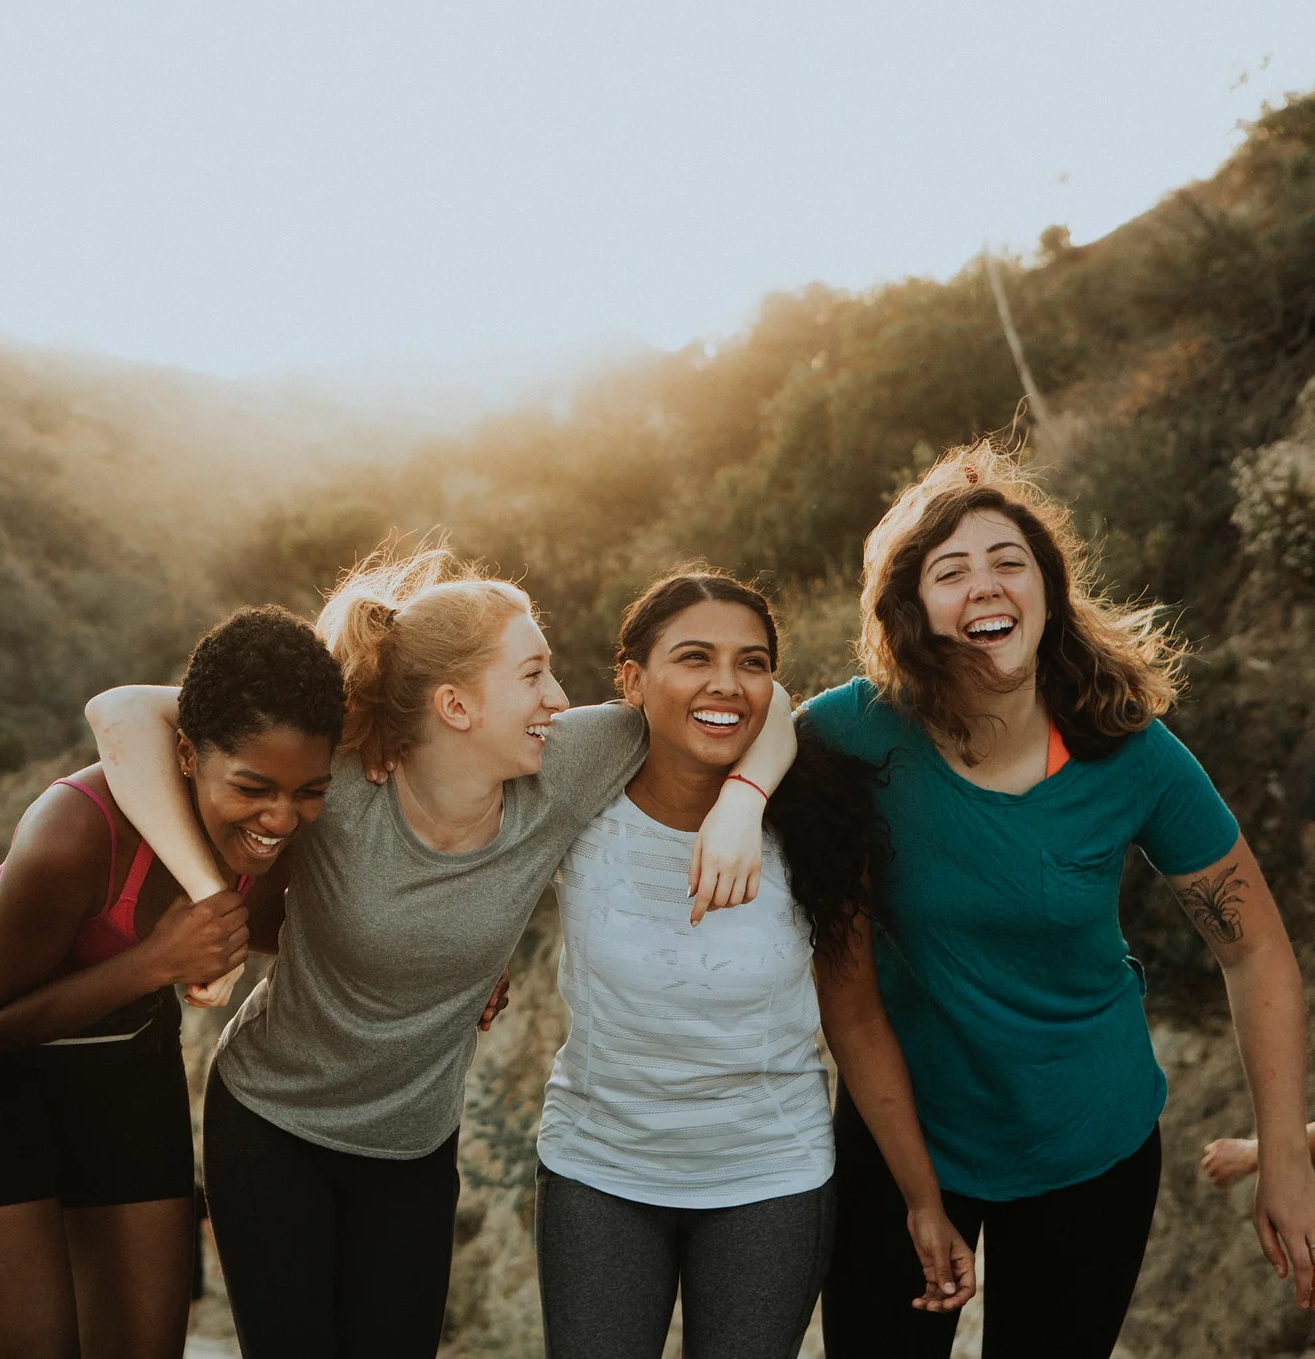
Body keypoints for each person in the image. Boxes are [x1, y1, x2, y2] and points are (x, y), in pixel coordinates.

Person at [85, 542, 796, 1359]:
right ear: (456, 705)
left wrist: (743, 802)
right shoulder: (342, 775)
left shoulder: (567, 762)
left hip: (414, 1146)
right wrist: (210, 893)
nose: (560, 699)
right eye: (533, 676)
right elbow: (121, 712)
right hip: (273, 1123)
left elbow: (759, 700)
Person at [807, 446, 1315, 1358]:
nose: (987, 585)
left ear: (1047, 587)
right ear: (913, 609)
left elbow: (1255, 948)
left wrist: (1283, 1157)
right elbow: (743, 724)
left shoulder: (1131, 749)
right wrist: (735, 803)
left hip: (1090, 1139)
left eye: (1010, 561)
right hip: (904, 1135)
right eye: (950, 571)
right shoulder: (857, 729)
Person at [534, 569, 975, 1359]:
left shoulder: (817, 823)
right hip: (597, 1168)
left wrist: (923, 1198)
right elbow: (477, 851)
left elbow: (858, 1016)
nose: (726, 685)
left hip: (769, 1180)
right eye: (694, 657)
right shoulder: (577, 791)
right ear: (633, 680)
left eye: (753, 662)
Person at [0, 606, 344, 1359]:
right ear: (187, 754)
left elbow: (309, 930)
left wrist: (464, 972)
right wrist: (157, 962)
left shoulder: (276, 837)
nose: (280, 816)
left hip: (122, 1049)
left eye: (308, 791)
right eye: (254, 786)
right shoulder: (73, 831)